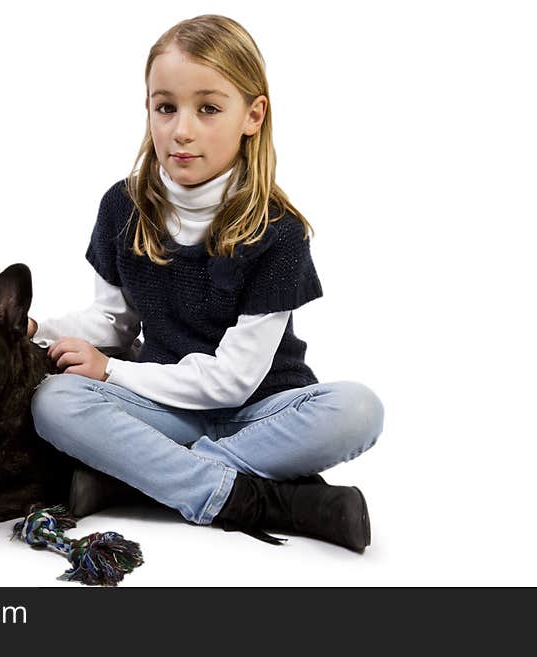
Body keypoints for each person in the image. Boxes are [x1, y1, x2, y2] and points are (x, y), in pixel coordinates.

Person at [28, 15, 384, 552]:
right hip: (164, 407)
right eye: (165, 107)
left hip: (262, 413)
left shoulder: (279, 232)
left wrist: (113, 371)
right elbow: (114, 323)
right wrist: (37, 327)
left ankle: (143, 480)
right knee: (55, 401)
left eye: (209, 108)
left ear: (253, 115)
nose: (182, 130)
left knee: (359, 409)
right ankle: (247, 496)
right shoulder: (122, 206)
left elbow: (233, 383)